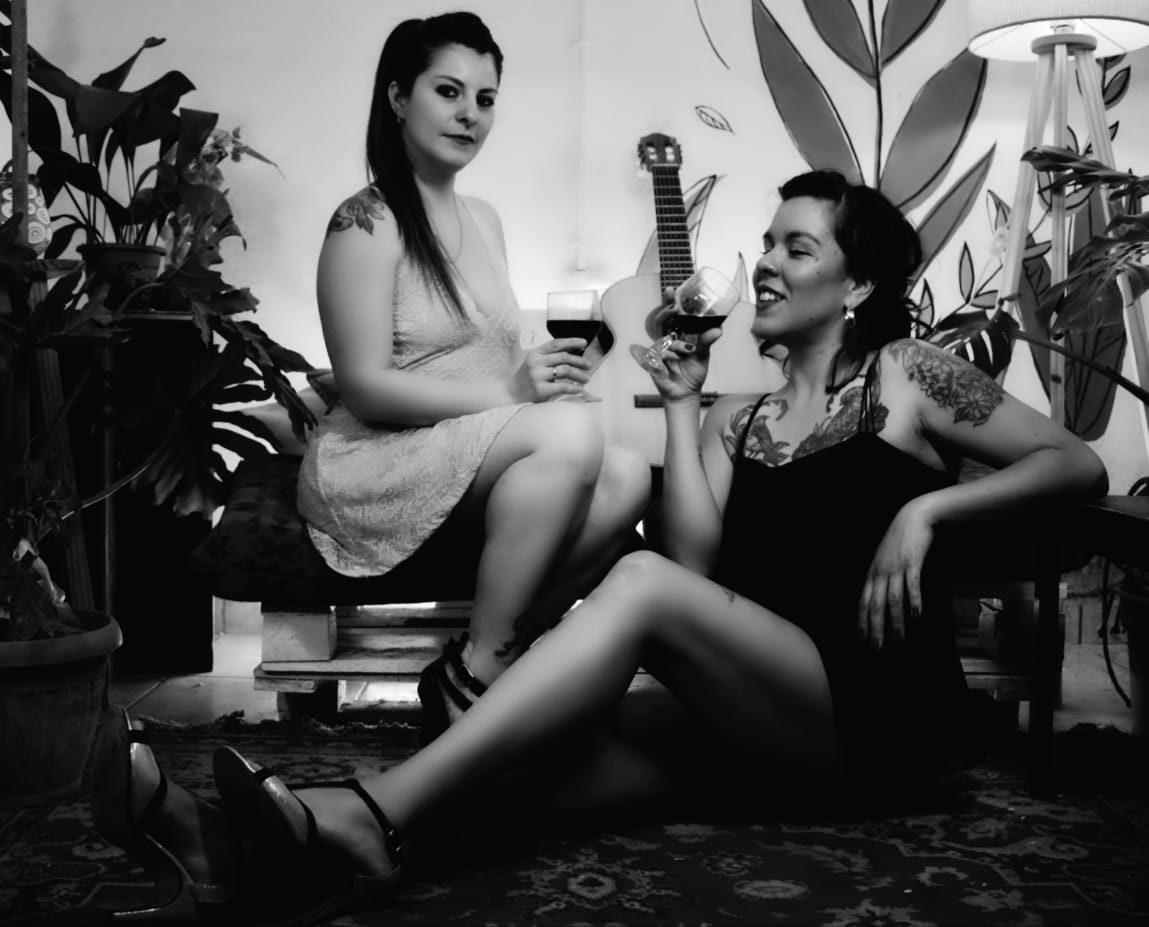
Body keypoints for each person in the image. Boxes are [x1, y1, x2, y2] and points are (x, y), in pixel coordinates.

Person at [95, 169, 1109, 919]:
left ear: (856, 286)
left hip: (875, 718)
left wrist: (924, 513)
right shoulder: (735, 421)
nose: (765, 262)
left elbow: (1073, 463)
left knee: (636, 580)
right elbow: (701, 567)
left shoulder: (907, 375)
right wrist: (683, 406)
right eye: (767, 241)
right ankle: (237, 852)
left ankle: (357, 812)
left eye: (798, 248)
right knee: (542, 773)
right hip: (759, 713)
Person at [297, 11, 650, 743]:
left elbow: (484, 345)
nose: (470, 114)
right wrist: (510, 396)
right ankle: (486, 671)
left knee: (627, 476)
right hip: (378, 458)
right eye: (448, 91)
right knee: (570, 438)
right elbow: (363, 387)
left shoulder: (484, 218)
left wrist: (545, 369)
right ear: (399, 97)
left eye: (485, 99)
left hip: (466, 441)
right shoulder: (363, 223)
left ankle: (481, 661)